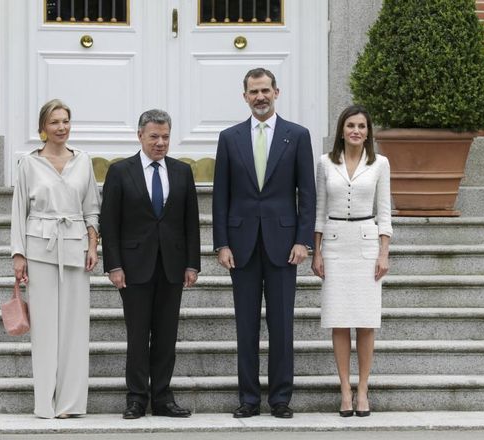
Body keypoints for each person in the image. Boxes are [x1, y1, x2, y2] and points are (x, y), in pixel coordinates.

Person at [212, 68, 316, 418]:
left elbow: (308, 193)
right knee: (246, 326)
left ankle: (281, 398)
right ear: (245, 96)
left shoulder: (297, 136)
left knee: (282, 325)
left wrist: (304, 240)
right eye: (254, 91)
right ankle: (249, 399)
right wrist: (221, 243)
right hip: (241, 246)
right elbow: (220, 196)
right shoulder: (229, 137)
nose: (260, 96)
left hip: (284, 245)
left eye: (265, 90)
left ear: (277, 92)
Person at [100, 109, 201, 419]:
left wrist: (192, 264)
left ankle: (162, 398)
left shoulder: (182, 172)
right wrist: (113, 265)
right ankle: (136, 398)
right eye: (154, 136)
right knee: (138, 334)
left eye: (166, 137)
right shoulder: (120, 172)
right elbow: (109, 223)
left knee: (166, 336)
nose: (160, 143)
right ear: (140, 136)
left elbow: (191, 223)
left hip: (171, 266)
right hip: (134, 268)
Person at [10, 99, 101, 418]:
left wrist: (93, 245)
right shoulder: (28, 163)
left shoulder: (84, 161)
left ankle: (70, 403)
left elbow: (92, 208)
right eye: (54, 122)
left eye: (65, 121)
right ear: (42, 128)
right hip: (40, 249)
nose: (61, 127)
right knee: (45, 329)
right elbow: (18, 210)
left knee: (76, 329)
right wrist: (18, 254)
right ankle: (45, 403)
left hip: (76, 248)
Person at [311, 104, 392, 418]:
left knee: (366, 321)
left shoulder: (379, 163)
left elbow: (384, 211)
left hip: (365, 243)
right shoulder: (325, 163)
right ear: (341, 130)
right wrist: (316, 251)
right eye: (350, 126)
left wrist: (383, 252)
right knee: (339, 320)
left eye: (361, 126)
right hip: (333, 244)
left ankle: (363, 389)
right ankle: (344, 389)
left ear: (368, 131)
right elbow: (319, 211)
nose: (356, 131)